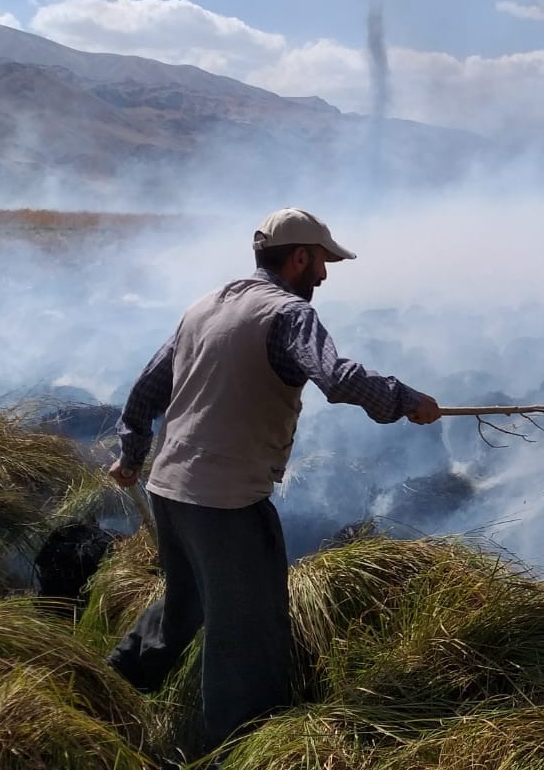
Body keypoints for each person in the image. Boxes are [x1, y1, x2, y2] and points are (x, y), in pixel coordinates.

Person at [104, 207, 441, 755]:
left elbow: (145, 391)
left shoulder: (204, 306)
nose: (325, 276)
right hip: (226, 501)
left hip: (169, 490)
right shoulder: (289, 314)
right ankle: (236, 749)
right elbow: (337, 377)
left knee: (187, 603)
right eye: (323, 262)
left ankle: (111, 689)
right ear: (300, 257)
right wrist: (406, 400)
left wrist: (131, 456)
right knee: (248, 634)